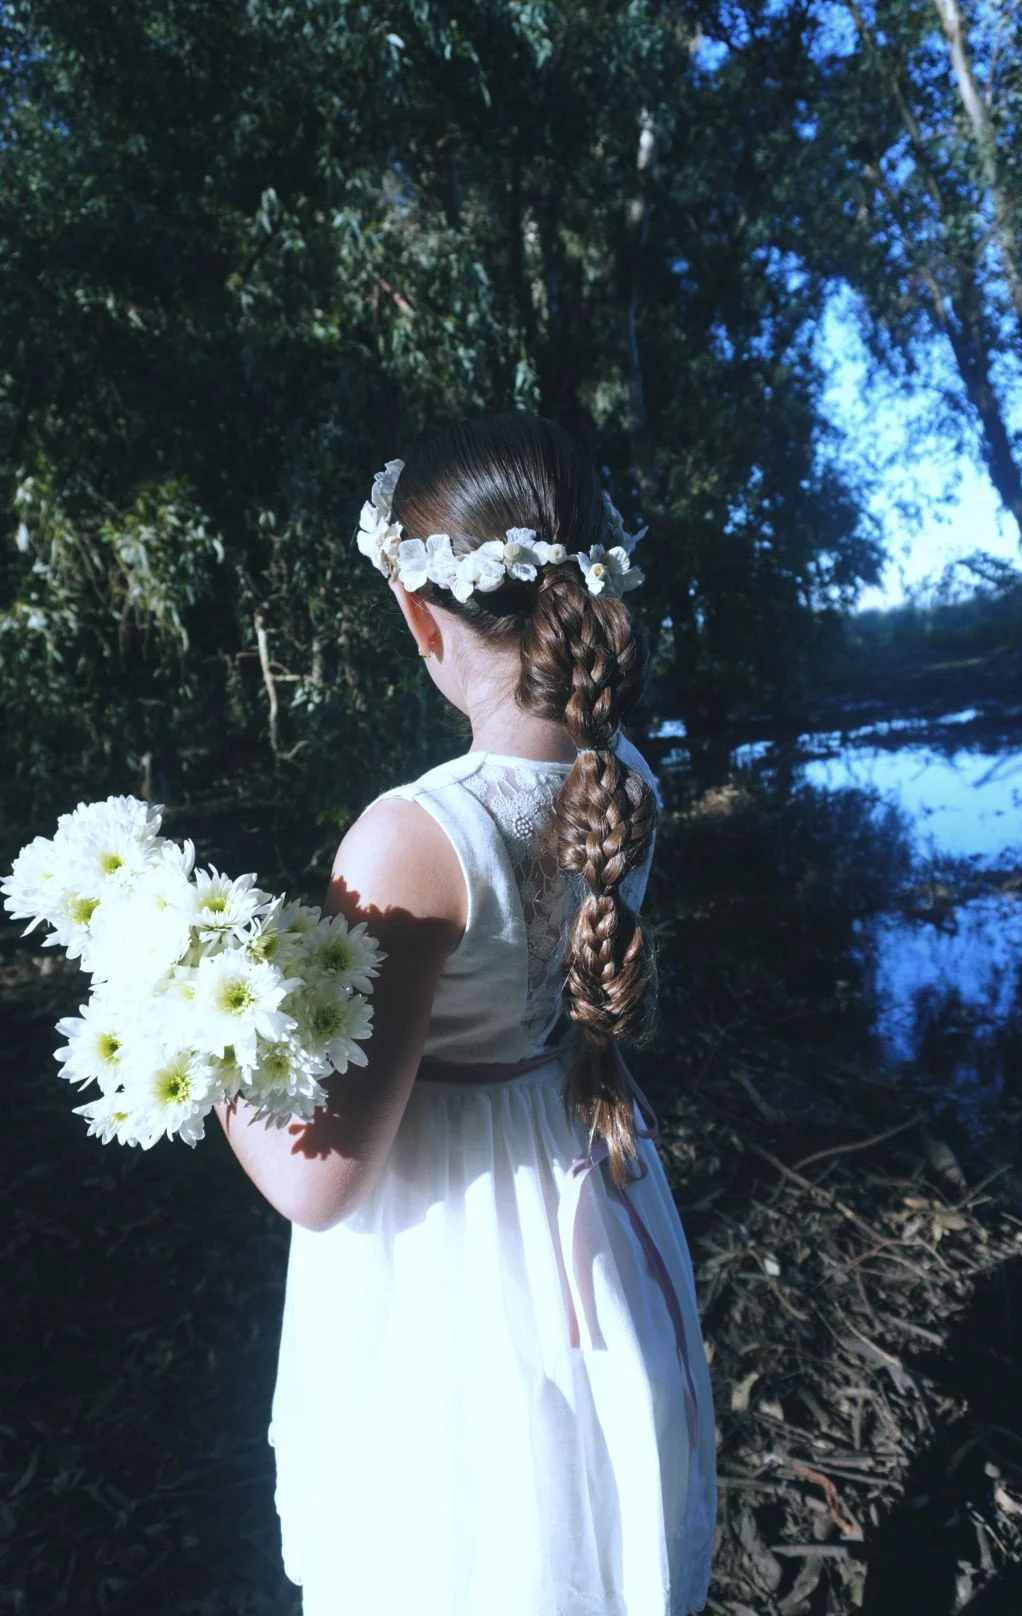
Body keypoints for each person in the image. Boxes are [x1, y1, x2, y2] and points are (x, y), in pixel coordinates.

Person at [215, 413, 717, 1615]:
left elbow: (318, 1182)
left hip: (448, 1251)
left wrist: (214, 1059)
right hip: (580, 1164)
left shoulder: (416, 837)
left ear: (416, 611)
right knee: (576, 1509)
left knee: (462, 1539)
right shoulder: (627, 777)